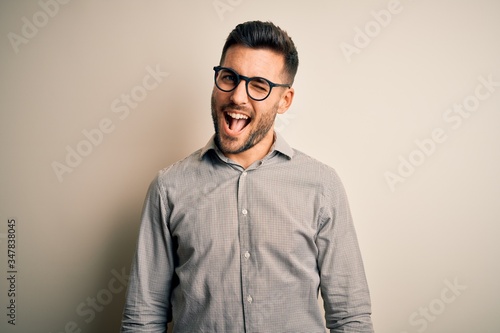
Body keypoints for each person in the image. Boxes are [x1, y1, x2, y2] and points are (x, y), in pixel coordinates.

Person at [121, 20, 374, 333]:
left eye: (258, 85)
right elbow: (142, 320)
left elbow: (350, 319)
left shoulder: (322, 186)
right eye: (229, 77)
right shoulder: (168, 188)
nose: (238, 96)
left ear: (285, 100)